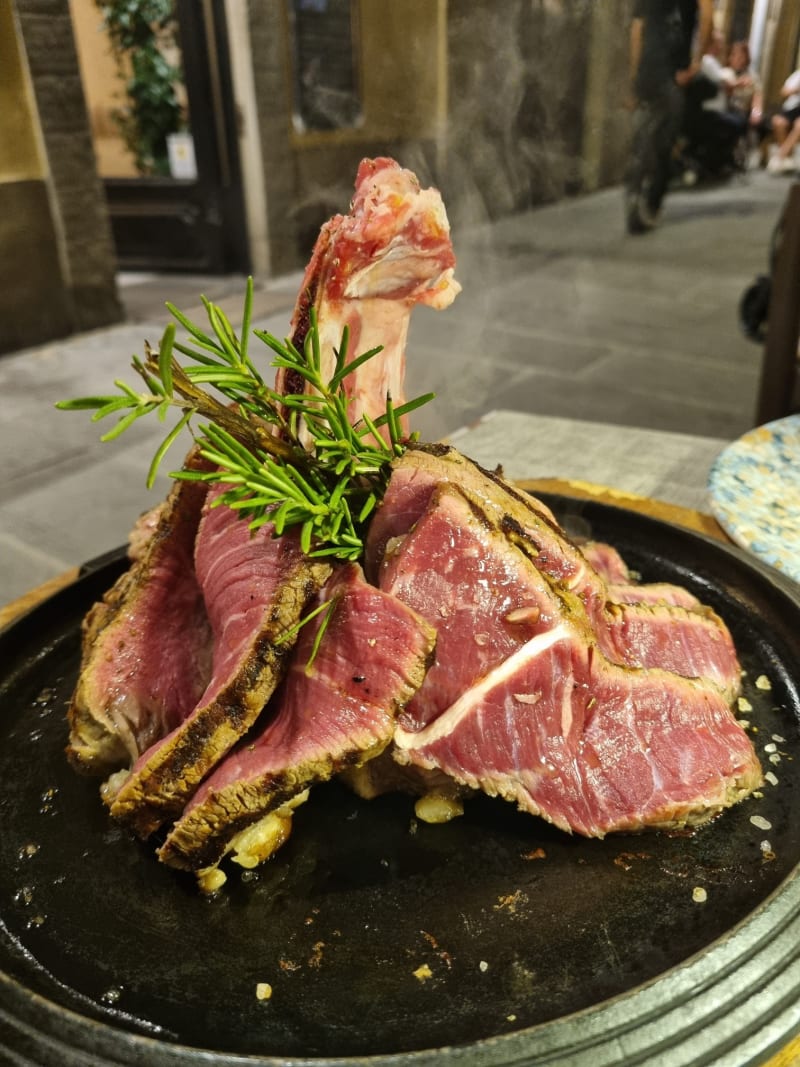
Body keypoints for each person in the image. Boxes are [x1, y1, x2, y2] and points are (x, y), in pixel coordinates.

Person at [625, 0, 713, 234]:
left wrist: (634, 78)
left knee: (645, 136)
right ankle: (651, 204)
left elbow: (636, 31)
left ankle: (636, 194)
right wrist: (697, 62)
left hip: (649, 71)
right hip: (674, 73)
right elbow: (707, 16)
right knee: (665, 140)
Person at [767, 68, 800, 175]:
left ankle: (780, 157)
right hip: (792, 108)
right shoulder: (798, 75)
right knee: (778, 122)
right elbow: (784, 91)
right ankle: (787, 158)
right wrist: (797, 90)